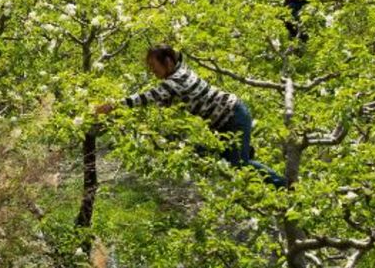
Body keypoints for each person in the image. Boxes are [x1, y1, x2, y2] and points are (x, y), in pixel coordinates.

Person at [95, 45, 287, 188]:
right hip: (224, 123)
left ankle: (284, 184)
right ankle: (243, 153)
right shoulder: (179, 71)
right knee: (207, 154)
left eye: (154, 66)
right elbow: (160, 102)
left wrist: (113, 106)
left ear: (168, 62)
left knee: (239, 165)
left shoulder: (177, 81)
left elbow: (147, 98)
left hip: (233, 117)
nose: (152, 71)